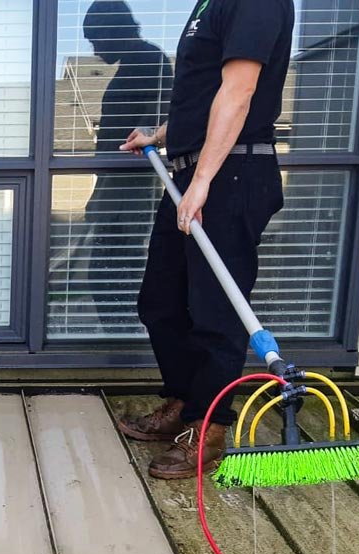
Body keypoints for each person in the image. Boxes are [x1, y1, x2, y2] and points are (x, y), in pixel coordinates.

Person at [118, 0, 295, 479]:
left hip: (231, 174)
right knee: (161, 301)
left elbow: (239, 92)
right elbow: (207, 99)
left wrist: (204, 181)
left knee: (216, 312)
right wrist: (157, 135)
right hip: (194, 171)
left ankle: (209, 429)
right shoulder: (208, 4)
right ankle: (182, 403)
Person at [81, 1, 172, 327]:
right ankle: (118, 334)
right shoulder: (136, 63)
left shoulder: (149, 61)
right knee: (108, 277)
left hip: (128, 194)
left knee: (114, 278)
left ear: (112, 31)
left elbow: (155, 126)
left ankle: (120, 341)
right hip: (116, 191)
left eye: (95, 41)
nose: (94, 50)